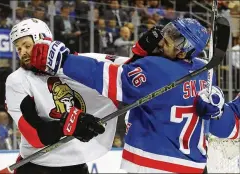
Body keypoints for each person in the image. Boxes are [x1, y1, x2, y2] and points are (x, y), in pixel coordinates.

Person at [29, 18, 218, 173]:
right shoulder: (205, 70)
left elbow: (105, 77)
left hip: (155, 163)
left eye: (170, 40)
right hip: (195, 164)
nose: (162, 41)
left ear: (183, 50)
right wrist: (138, 59)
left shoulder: (156, 68)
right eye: (167, 33)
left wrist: (64, 61)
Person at [6, 18, 127, 174]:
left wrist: (144, 51)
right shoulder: (17, 81)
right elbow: (34, 136)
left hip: (77, 166)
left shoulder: (75, 63)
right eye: (18, 48)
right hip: (37, 167)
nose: (22, 52)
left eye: (27, 46)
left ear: (44, 41)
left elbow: (130, 68)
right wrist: (70, 124)